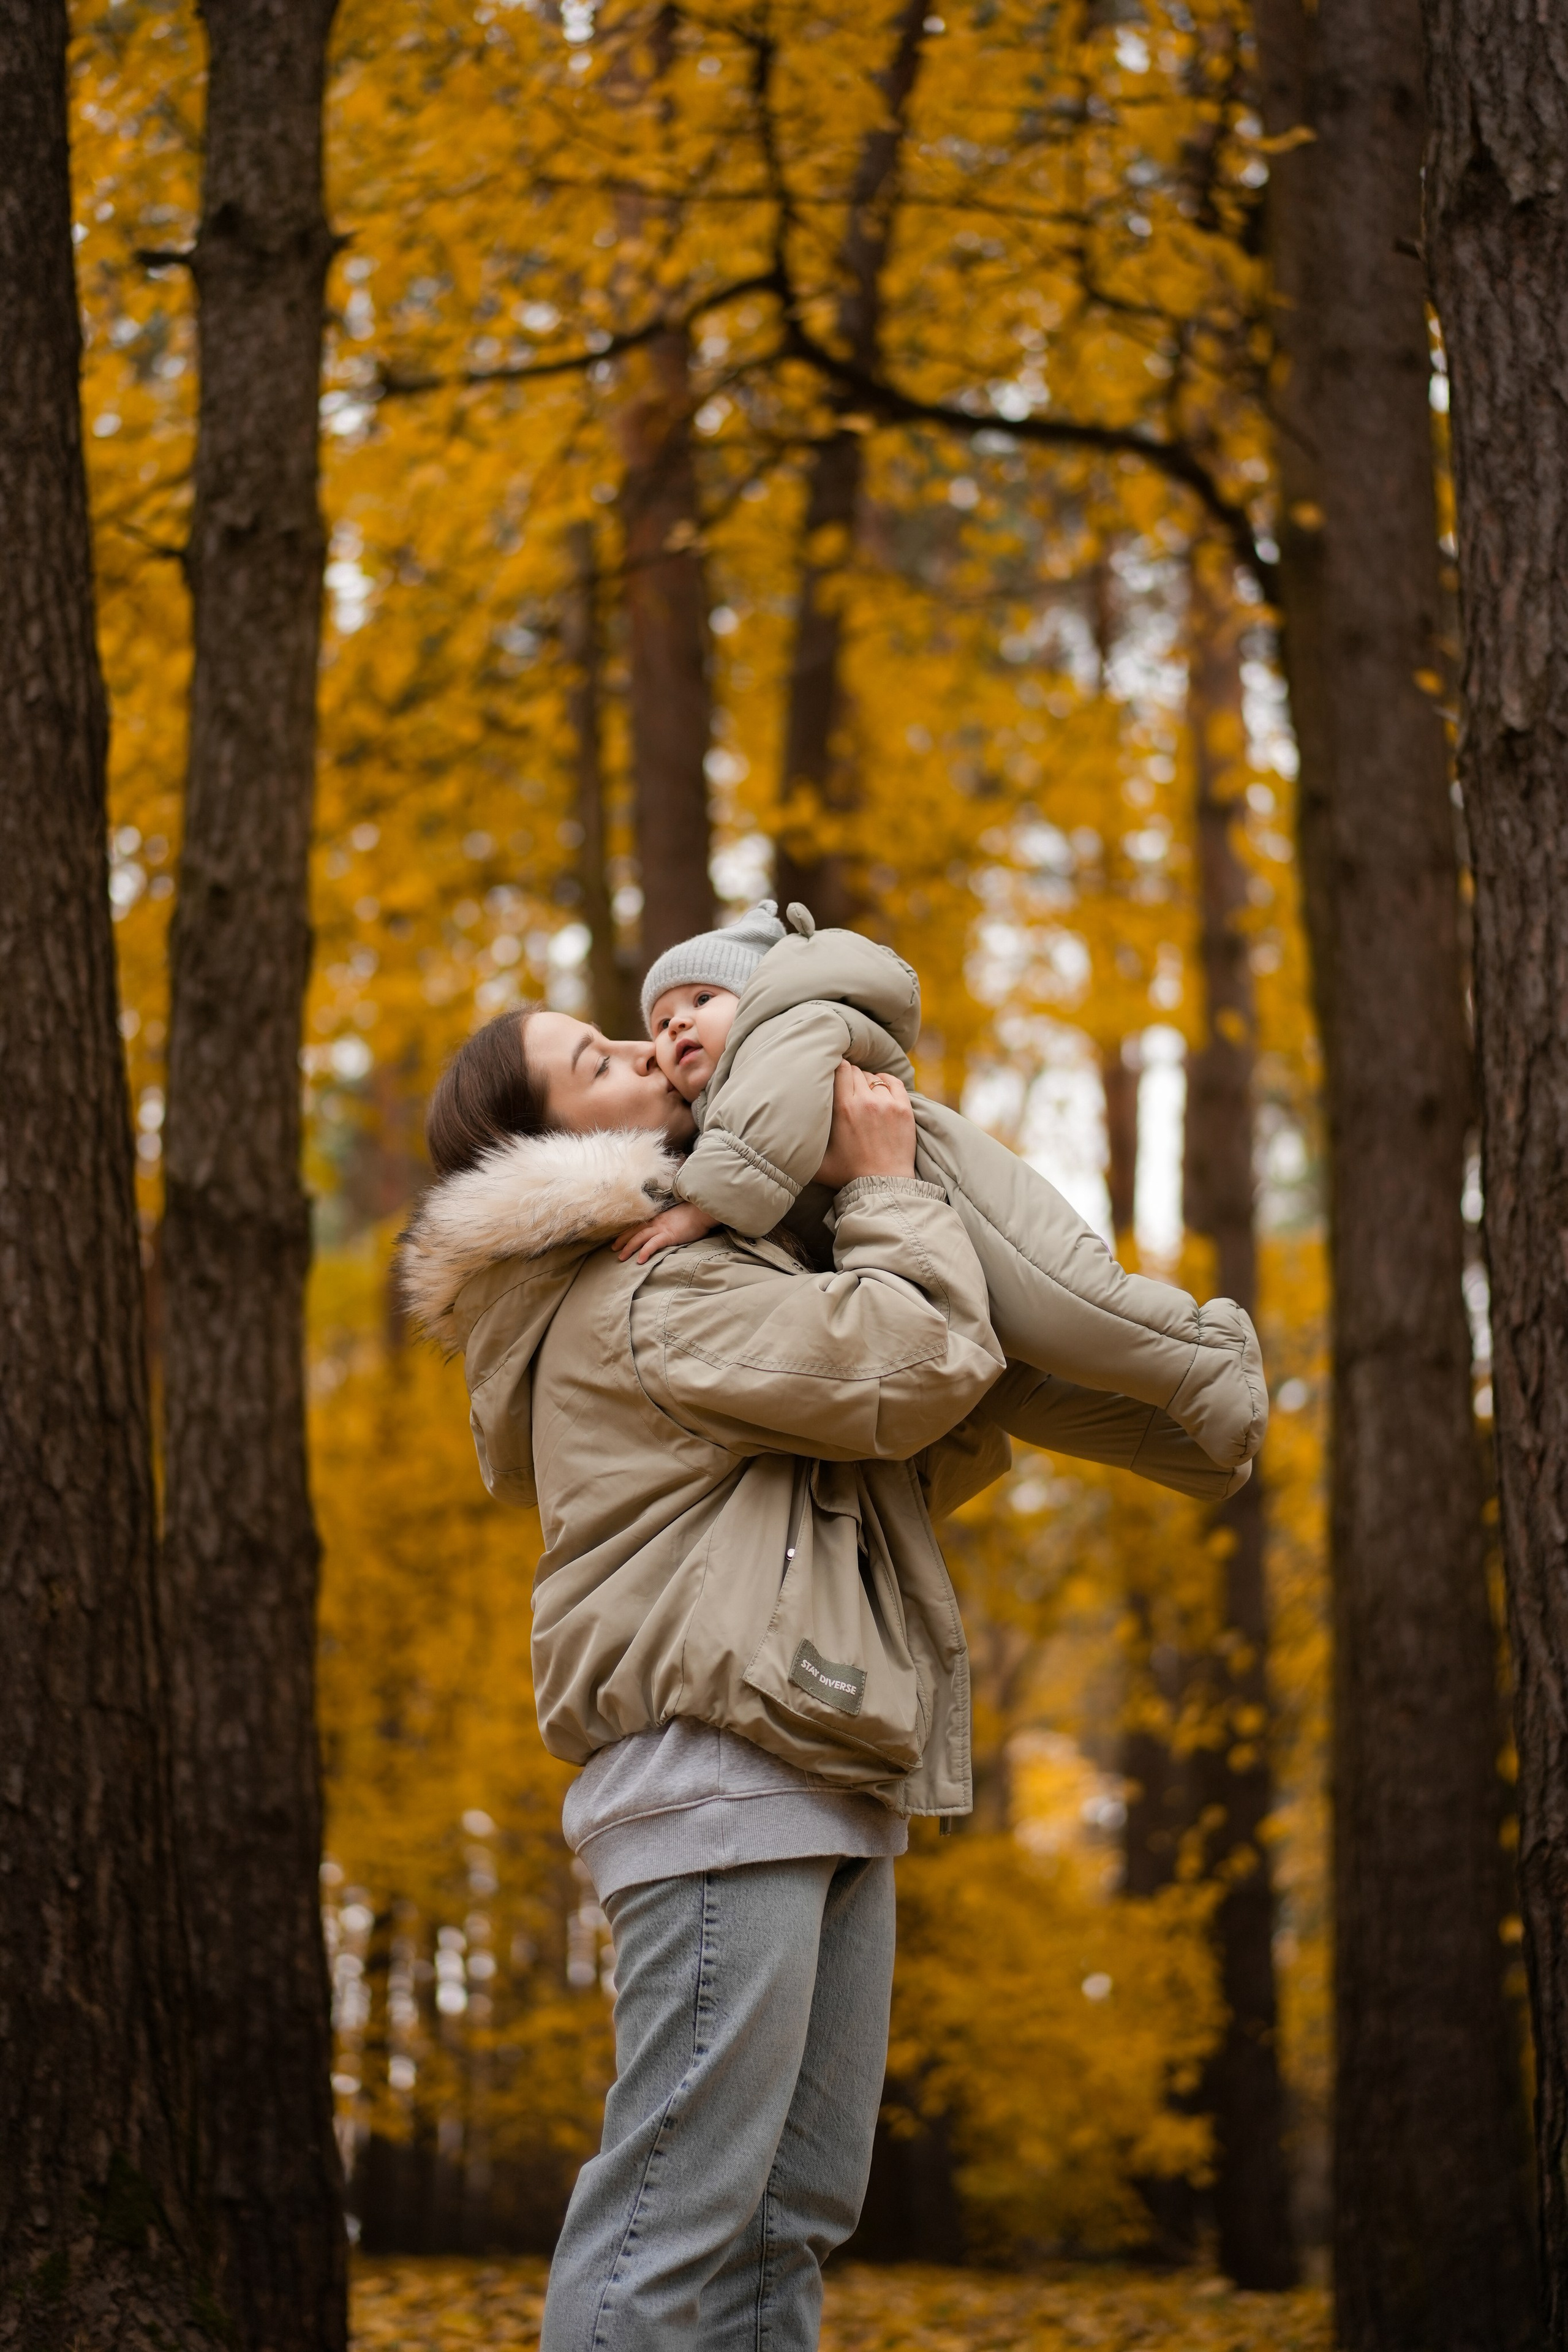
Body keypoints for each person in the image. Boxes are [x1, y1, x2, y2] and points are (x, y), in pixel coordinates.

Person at [400, 1004, 1247, 2351]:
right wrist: (887, 1187)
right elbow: (912, 1366)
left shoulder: (699, 1263)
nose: (637, 1051)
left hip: (806, 1762)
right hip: (719, 1778)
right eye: (594, 1067)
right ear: (545, 1151)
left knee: (779, 2226)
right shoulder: (645, 1286)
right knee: (670, 2222)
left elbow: (902, 1438)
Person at [617, 900, 1267, 1471]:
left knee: (1072, 1308)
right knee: (1021, 1394)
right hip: (920, 1238)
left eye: (701, 1001)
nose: (676, 1026)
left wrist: (699, 1209)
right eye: (661, 1022)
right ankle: (1190, 1452)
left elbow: (772, 1119)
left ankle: (1210, 1357)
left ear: (755, 992)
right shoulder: (720, 1115)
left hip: (960, 1193)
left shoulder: (789, 1027)